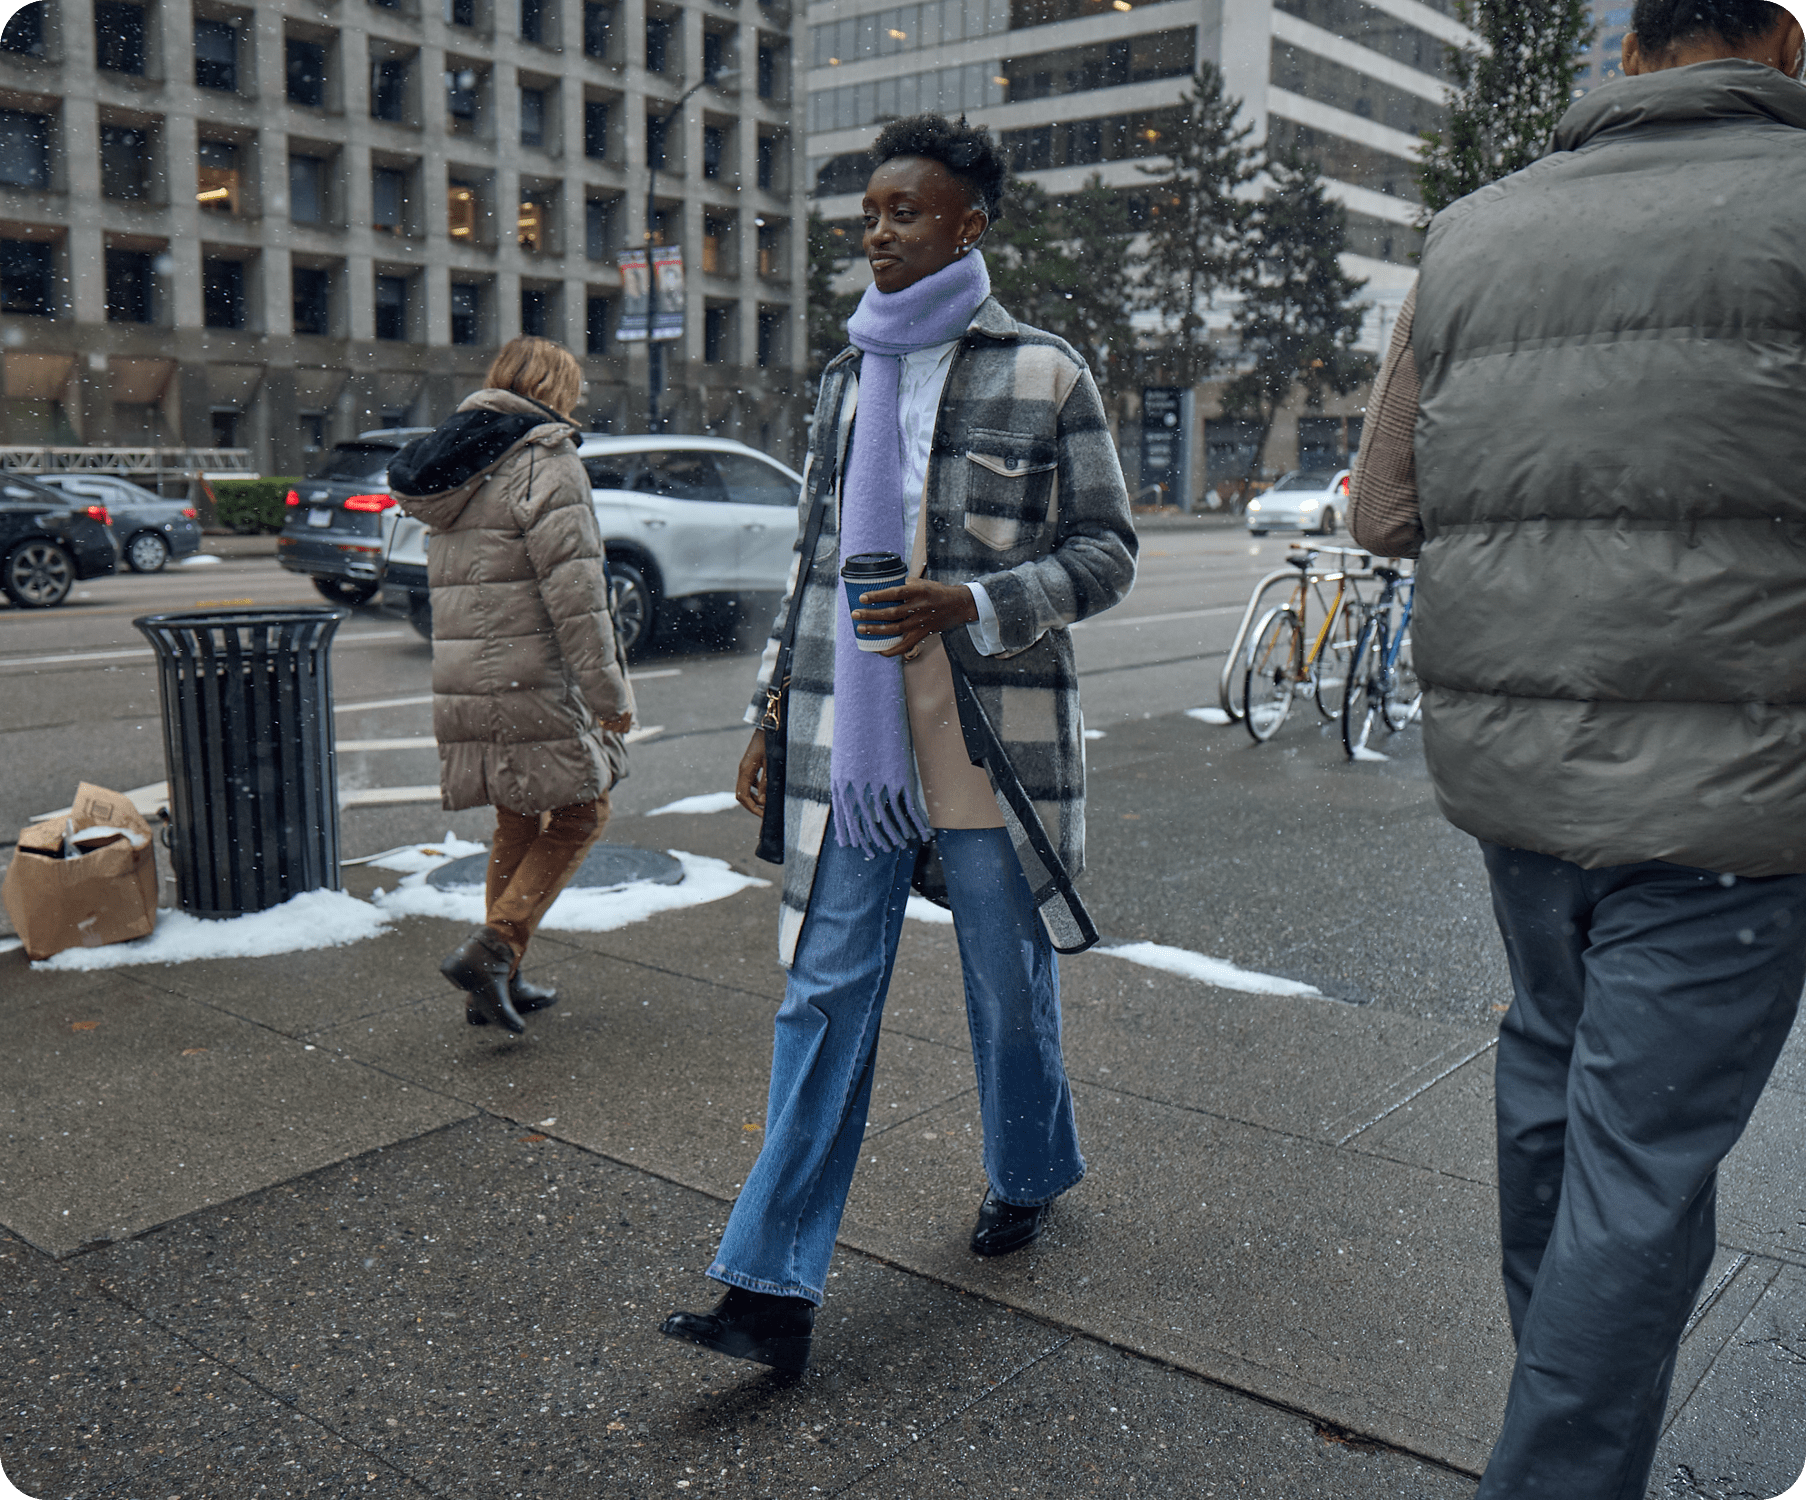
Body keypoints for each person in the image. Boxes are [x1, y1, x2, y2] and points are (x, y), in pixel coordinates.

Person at [1349, 3, 1806, 1493]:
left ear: (1629, 52)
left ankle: (1564, 1400)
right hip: (1741, 794)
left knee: (1551, 1099)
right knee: (1640, 1166)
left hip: (1518, 779)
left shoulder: (1474, 231)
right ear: (1783, 46)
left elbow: (1381, 509)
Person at [661, 115, 1137, 1375]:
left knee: (1006, 982)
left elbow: (1108, 553)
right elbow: (813, 562)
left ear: (969, 226)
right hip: (852, 736)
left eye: (906, 213)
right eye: (869, 214)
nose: (878, 233)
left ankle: (1028, 1166)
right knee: (823, 992)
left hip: (985, 732)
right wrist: (770, 711)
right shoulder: (846, 377)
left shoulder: (1045, 373)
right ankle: (769, 1290)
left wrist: (975, 599)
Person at [389, 336, 635, 1034]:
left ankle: (497, 978)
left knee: (519, 818)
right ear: (556, 388)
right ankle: (493, 949)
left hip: (469, 672)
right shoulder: (545, 460)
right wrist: (609, 697)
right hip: (531, 671)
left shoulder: (455, 461)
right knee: (584, 812)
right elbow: (578, 599)